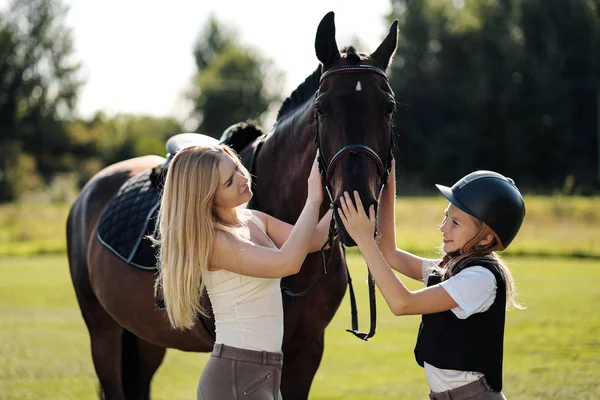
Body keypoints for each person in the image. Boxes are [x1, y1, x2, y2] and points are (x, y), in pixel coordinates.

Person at [154, 142, 330, 400]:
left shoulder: (254, 219)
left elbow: (313, 240)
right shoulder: (215, 241)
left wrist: (345, 196)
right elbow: (288, 262)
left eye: (236, 168)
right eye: (228, 182)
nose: (241, 179)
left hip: (265, 372)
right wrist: (314, 199)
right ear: (206, 196)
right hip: (236, 376)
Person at [336, 161, 526, 400]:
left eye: (455, 223)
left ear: (486, 238)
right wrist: (388, 178)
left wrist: (364, 239)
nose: (443, 227)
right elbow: (389, 253)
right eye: (446, 217)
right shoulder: (454, 267)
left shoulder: (479, 279)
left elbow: (402, 303)